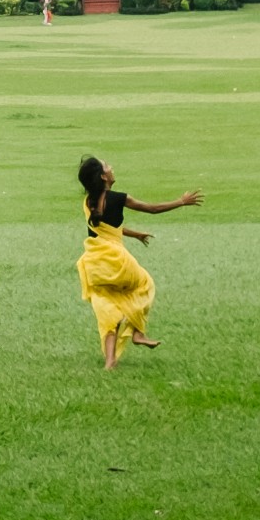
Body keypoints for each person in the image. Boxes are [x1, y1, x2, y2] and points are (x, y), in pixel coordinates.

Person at [76, 156, 203, 370]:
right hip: (117, 260)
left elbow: (106, 228)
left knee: (109, 309)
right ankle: (138, 333)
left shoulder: (88, 203)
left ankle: (110, 362)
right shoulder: (119, 198)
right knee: (145, 284)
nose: (112, 168)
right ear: (103, 176)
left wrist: (135, 234)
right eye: (108, 167)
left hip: (95, 264)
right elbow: (151, 208)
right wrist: (181, 202)